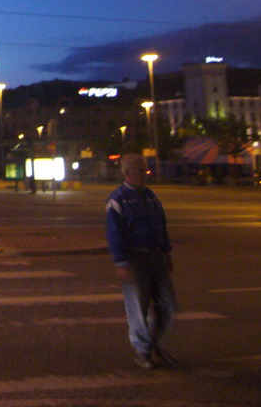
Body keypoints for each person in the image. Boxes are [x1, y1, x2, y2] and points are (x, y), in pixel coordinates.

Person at [106, 153, 178, 370]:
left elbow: (161, 225)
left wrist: (166, 253)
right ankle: (143, 351)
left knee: (168, 305)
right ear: (129, 173)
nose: (146, 173)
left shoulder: (150, 196)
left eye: (145, 169)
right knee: (138, 307)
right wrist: (121, 262)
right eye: (141, 170)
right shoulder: (118, 199)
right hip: (135, 258)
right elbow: (114, 233)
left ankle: (156, 345)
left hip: (156, 256)